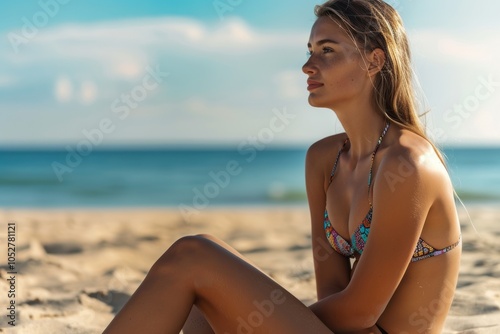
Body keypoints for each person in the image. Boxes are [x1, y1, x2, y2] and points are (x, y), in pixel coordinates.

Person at [103, 0, 461, 333]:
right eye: (309, 51)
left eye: (327, 51)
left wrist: (248, 322)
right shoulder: (324, 160)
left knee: (193, 255)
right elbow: (332, 290)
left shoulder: (408, 163)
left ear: (373, 61)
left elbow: (360, 311)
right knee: (204, 295)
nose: (308, 66)